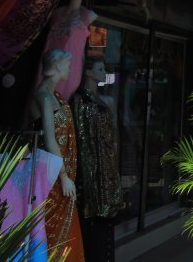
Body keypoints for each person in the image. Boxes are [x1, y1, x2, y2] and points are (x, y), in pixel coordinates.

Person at [28, 49, 85, 261]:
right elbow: (50, 139)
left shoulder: (55, 96)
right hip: (51, 176)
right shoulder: (43, 96)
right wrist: (63, 176)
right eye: (68, 65)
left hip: (62, 172)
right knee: (51, 228)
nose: (70, 69)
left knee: (65, 227)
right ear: (58, 66)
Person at [72, 56, 123, 261]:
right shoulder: (80, 100)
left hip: (106, 161)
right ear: (88, 72)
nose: (103, 73)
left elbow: (112, 132)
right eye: (99, 69)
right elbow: (81, 137)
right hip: (91, 165)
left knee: (106, 222)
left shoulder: (104, 99)